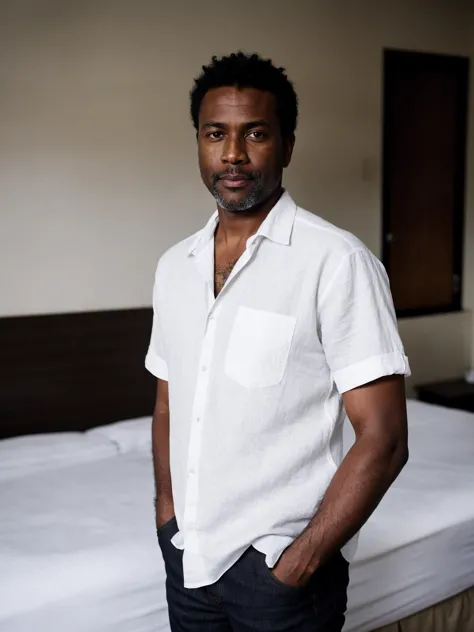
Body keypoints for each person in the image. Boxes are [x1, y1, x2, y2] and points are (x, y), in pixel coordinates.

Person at [145, 52, 410, 632]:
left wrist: (300, 562)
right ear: (198, 142)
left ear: (288, 145)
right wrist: (168, 517)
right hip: (189, 559)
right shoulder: (174, 268)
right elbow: (169, 401)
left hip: (280, 573)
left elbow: (385, 438)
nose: (233, 154)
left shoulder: (336, 262)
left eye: (255, 134)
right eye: (216, 134)